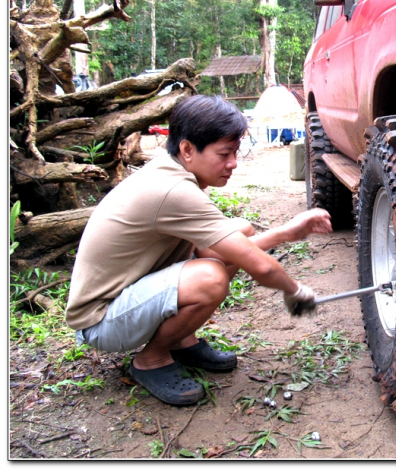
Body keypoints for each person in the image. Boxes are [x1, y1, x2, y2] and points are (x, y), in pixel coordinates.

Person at [65, 95, 332, 406]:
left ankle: (180, 341)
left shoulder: (172, 172)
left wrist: (287, 232)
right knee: (210, 278)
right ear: (188, 149)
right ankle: (150, 360)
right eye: (224, 154)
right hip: (100, 320)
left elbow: (218, 251)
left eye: (235, 152)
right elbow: (257, 267)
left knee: (238, 232)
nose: (233, 163)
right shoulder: (174, 191)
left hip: (126, 297)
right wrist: (295, 290)